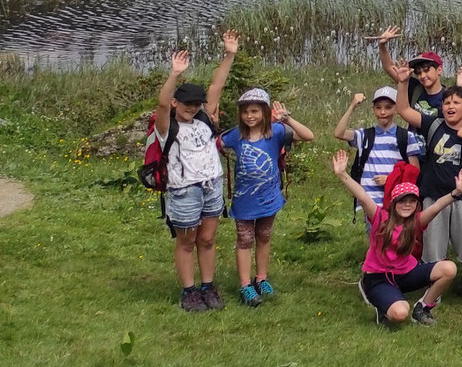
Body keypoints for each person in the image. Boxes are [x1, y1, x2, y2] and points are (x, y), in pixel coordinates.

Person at [332, 153, 462, 326]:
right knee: (399, 314)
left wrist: (457, 192)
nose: (407, 204)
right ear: (394, 203)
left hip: (406, 274)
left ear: (417, 205)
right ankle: (376, 299)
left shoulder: (416, 221)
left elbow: (437, 206)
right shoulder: (380, 217)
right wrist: (342, 175)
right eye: (402, 201)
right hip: (379, 277)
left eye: (412, 201)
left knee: (449, 268)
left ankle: (422, 308)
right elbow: (363, 197)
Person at [153, 36, 236, 311]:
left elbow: (217, 86)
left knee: (208, 238)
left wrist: (229, 55)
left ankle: (208, 286)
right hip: (183, 190)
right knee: (186, 241)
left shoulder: (203, 117)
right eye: (187, 103)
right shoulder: (166, 128)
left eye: (196, 103)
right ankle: (189, 291)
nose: (192, 107)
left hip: (212, 185)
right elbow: (163, 104)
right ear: (177, 102)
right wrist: (174, 74)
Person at [217, 85, 314, 307]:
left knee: (264, 235)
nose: (250, 116)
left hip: (269, 197)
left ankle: (261, 278)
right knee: (244, 239)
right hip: (244, 199)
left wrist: (287, 119)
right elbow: (215, 144)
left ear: (265, 112)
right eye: (245, 112)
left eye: (255, 111)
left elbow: (309, 136)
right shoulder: (236, 135)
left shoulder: (277, 131)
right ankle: (244, 285)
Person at [396, 83, 462, 310]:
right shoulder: (433, 124)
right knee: (433, 247)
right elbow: (404, 110)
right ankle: (434, 288)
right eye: (446, 102)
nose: (450, 106)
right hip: (434, 195)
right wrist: (402, 82)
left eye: (456, 102)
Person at [333, 85, 419, 213]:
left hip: (397, 202)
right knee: (374, 233)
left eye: (388, 107)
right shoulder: (365, 135)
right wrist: (352, 106)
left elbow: (414, 171)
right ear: (373, 109)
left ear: (396, 109)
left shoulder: (406, 137)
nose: (382, 112)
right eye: (378, 108)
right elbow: (339, 133)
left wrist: (390, 180)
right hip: (369, 202)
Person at [373, 26, 462, 121]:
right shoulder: (415, 88)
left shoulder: (446, 97)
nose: (422, 76)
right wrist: (382, 45)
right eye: (418, 72)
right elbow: (389, 67)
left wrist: (461, 86)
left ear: (439, 70)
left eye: (426, 70)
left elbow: (460, 116)